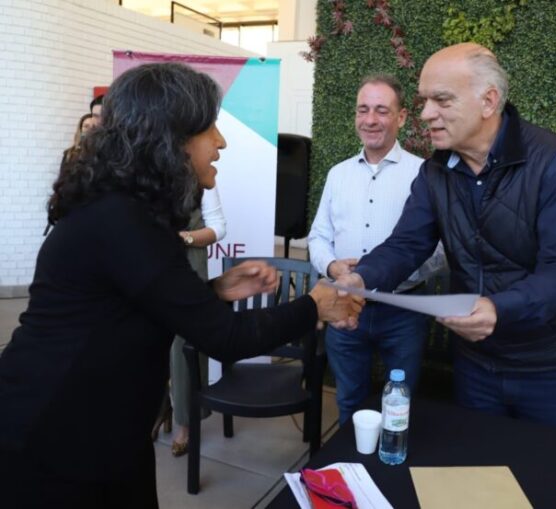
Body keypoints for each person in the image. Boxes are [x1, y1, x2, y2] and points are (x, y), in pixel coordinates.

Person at [0, 63, 362, 508]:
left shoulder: (127, 211)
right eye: (209, 128)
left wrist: (211, 291)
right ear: (169, 139)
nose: (221, 142)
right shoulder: (122, 220)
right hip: (57, 432)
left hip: (103, 427)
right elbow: (224, 337)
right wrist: (314, 305)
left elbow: (128, 304)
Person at [336, 43, 556, 433]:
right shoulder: (434, 173)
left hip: (555, 366)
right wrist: (361, 278)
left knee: (552, 481)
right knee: (479, 477)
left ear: (488, 101)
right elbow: (407, 244)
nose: (426, 115)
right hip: (477, 362)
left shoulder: (554, 163)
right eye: (425, 100)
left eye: (441, 100)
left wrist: (498, 308)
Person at [308, 74, 436, 426]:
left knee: (400, 408)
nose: (370, 120)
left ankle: (390, 471)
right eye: (363, 110)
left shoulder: (424, 175)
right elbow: (318, 236)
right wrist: (334, 268)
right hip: (344, 305)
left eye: (382, 110)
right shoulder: (338, 175)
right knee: (348, 401)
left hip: (402, 311)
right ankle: (350, 474)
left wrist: (378, 273)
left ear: (402, 117)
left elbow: (437, 248)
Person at [169, 186, 227, 456]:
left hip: (190, 267)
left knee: (185, 349)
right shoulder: (147, 170)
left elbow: (217, 229)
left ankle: (185, 424)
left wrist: (184, 238)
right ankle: (158, 410)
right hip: (152, 265)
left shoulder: (202, 179)